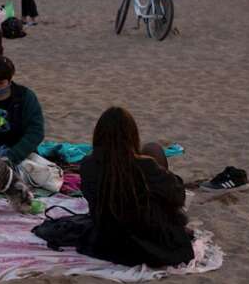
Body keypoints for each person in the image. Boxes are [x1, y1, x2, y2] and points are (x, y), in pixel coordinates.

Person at [78, 107, 194, 268]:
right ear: (131, 136)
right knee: (153, 149)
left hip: (107, 240)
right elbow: (178, 197)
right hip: (146, 243)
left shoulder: (88, 165)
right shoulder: (145, 165)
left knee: (151, 154)